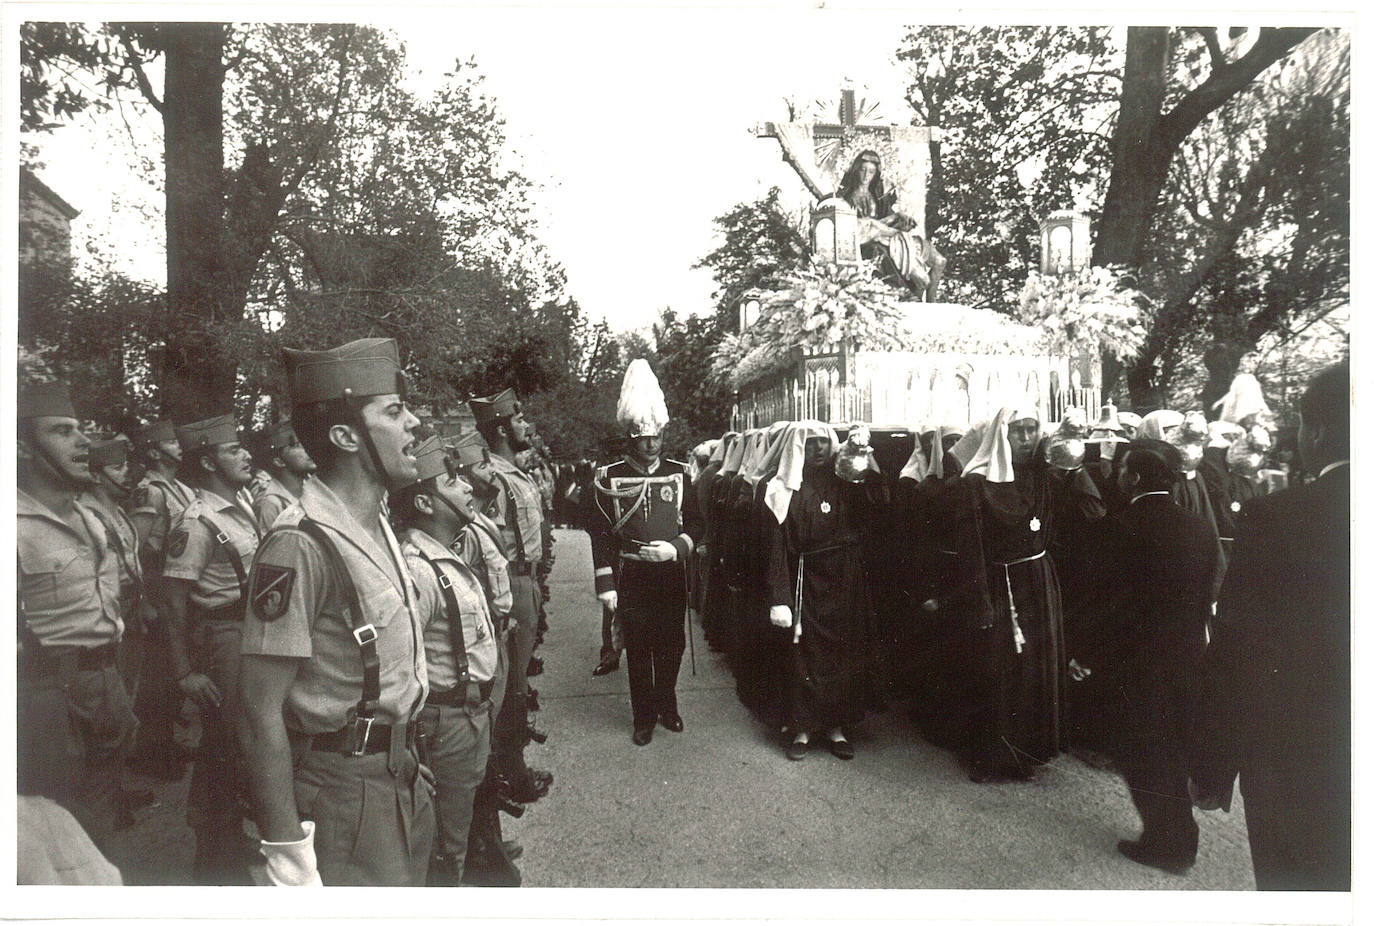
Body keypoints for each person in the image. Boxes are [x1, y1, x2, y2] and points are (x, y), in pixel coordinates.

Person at [237, 337, 435, 886]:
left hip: (401, 773)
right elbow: (258, 710)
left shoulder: (374, 524)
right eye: (394, 411)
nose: (414, 423)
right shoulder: (298, 545)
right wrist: (288, 854)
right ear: (347, 436)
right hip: (345, 790)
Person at [1192, 361, 1350, 890]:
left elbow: (1240, 652)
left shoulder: (1279, 518)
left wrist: (1212, 764)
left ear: (1317, 431)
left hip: (1300, 762)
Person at [943, 403, 1101, 781]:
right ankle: (990, 756)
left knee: (1035, 668)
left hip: (1039, 580)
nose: (1027, 439)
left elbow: (1091, 512)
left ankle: (1029, 750)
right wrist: (980, 600)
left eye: (1032, 430)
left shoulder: (1046, 476)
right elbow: (971, 550)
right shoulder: (976, 483)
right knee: (1000, 669)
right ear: (1002, 435)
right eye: (1019, 431)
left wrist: (1074, 466)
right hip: (1001, 586)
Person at [17, 381, 137, 852]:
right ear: (22, 447)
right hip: (45, 697)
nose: (84, 441)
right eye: (63, 431)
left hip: (105, 683)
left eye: (81, 429)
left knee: (100, 825)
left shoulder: (90, 516)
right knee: (53, 834)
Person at [1096, 441, 1219, 875]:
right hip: (1187, 656)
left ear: (1132, 478)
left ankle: (1167, 844)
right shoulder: (1199, 526)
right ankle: (1177, 837)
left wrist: (1090, 654)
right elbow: (1209, 592)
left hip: (1138, 662)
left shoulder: (1121, 525)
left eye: (1121, 470)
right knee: (1172, 748)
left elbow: (1108, 603)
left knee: (1142, 752)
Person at [392, 436, 502, 886]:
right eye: (452, 480)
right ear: (424, 501)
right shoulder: (419, 569)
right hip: (446, 721)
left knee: (455, 827)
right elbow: (401, 663)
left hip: (468, 714)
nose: (466, 486)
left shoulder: (447, 552)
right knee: (443, 846)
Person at [161, 415, 260, 884]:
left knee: (243, 742)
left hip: (249, 631)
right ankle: (214, 859)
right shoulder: (197, 522)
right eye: (232, 449)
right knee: (223, 745)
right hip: (224, 638)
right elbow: (173, 601)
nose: (245, 454)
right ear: (206, 461)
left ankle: (229, 839)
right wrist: (184, 672)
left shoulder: (239, 508)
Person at [586, 359, 703, 745]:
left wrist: (676, 549)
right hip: (632, 574)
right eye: (643, 439)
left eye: (655, 438)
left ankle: (667, 702)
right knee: (638, 647)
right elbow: (601, 533)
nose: (650, 444)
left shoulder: (682, 473)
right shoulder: (610, 477)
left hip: (670, 572)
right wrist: (605, 580)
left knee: (673, 644)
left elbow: (700, 525)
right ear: (631, 439)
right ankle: (643, 716)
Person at [763, 421, 875, 761]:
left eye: (824, 443)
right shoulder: (782, 490)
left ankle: (836, 728)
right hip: (805, 578)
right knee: (804, 654)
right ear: (799, 448)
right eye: (810, 444)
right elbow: (776, 548)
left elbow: (876, 506)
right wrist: (780, 598)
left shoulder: (847, 482)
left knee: (841, 653)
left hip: (844, 579)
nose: (818, 450)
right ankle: (802, 729)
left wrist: (861, 460)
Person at [467, 387, 553, 802]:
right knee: (511, 684)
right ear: (501, 428)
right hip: (513, 582)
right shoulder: (495, 479)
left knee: (516, 680)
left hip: (527, 581)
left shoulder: (510, 473)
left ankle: (506, 769)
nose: (525, 425)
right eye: (518, 420)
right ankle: (511, 775)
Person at [126, 418, 195, 782]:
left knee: (173, 670)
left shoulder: (179, 488)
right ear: (154, 451)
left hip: (177, 585)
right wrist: (143, 601)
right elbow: (133, 551)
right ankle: (150, 752)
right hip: (156, 585)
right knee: (158, 673)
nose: (178, 445)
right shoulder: (149, 491)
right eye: (170, 442)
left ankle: (165, 741)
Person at [836, 149, 945, 300]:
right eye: (863, 170)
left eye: (871, 172)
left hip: (890, 237)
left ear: (875, 174)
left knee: (939, 260)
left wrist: (901, 221)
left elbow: (888, 221)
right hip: (869, 242)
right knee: (883, 251)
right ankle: (909, 292)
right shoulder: (847, 198)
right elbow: (862, 227)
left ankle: (932, 301)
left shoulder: (877, 196)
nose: (866, 175)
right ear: (856, 171)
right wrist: (891, 221)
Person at [248, 421, 316, 531]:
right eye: (296, 445)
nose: (307, 449)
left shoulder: (313, 488)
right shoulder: (272, 503)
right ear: (279, 461)